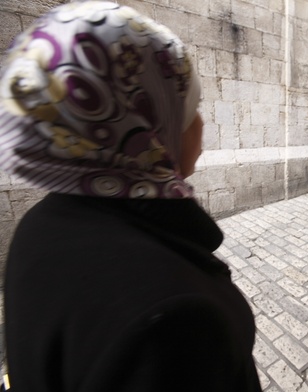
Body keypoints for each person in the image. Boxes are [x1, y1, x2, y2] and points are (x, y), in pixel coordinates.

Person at [0, 2, 262, 391]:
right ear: (144, 117)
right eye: (190, 107)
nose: (202, 123)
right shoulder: (173, 316)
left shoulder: (40, 224)